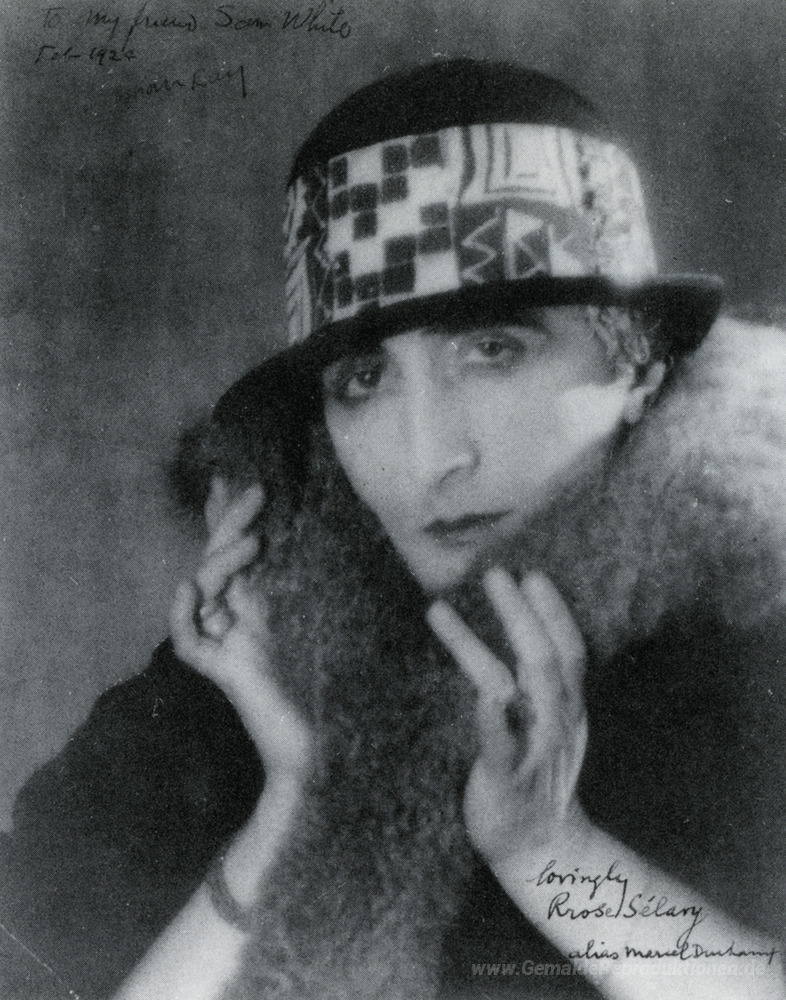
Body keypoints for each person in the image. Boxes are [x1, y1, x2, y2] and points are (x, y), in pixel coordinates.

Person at [1, 60, 785, 1000]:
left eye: (492, 348)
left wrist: (551, 854)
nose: (428, 456)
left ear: (641, 368)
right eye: (364, 379)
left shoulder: (760, 660)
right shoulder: (244, 678)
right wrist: (292, 807)